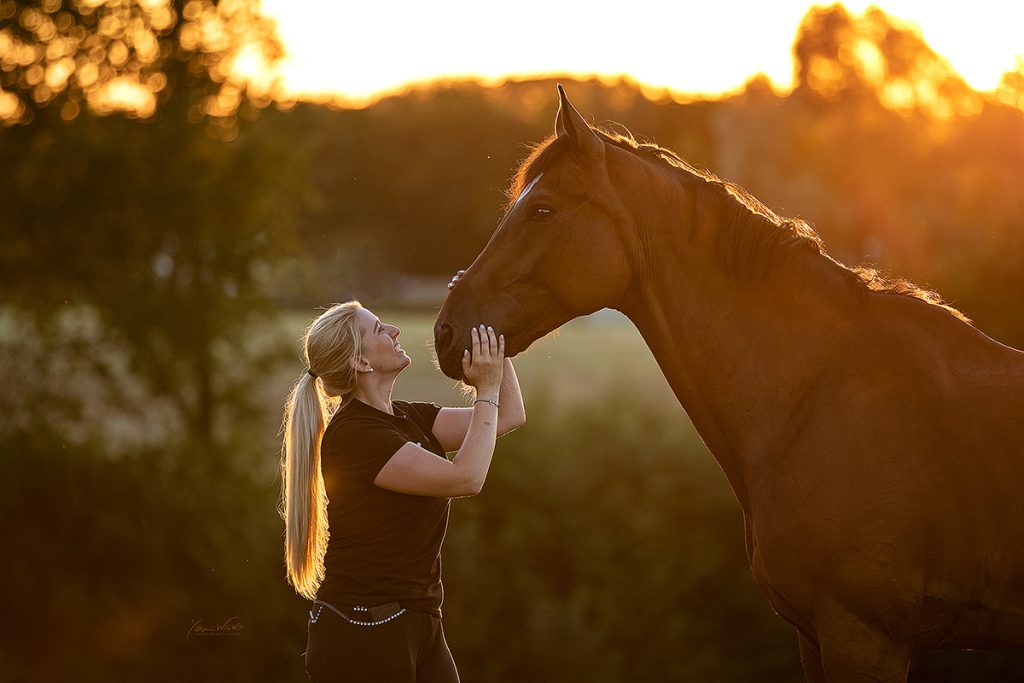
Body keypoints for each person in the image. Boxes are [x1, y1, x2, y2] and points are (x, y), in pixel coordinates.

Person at [279, 292, 525, 682]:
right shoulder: (354, 435)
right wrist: (486, 390)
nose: (394, 330)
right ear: (360, 362)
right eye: (379, 329)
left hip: (419, 621)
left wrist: (486, 315)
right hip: (362, 631)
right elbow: (467, 477)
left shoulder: (411, 417)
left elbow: (508, 415)